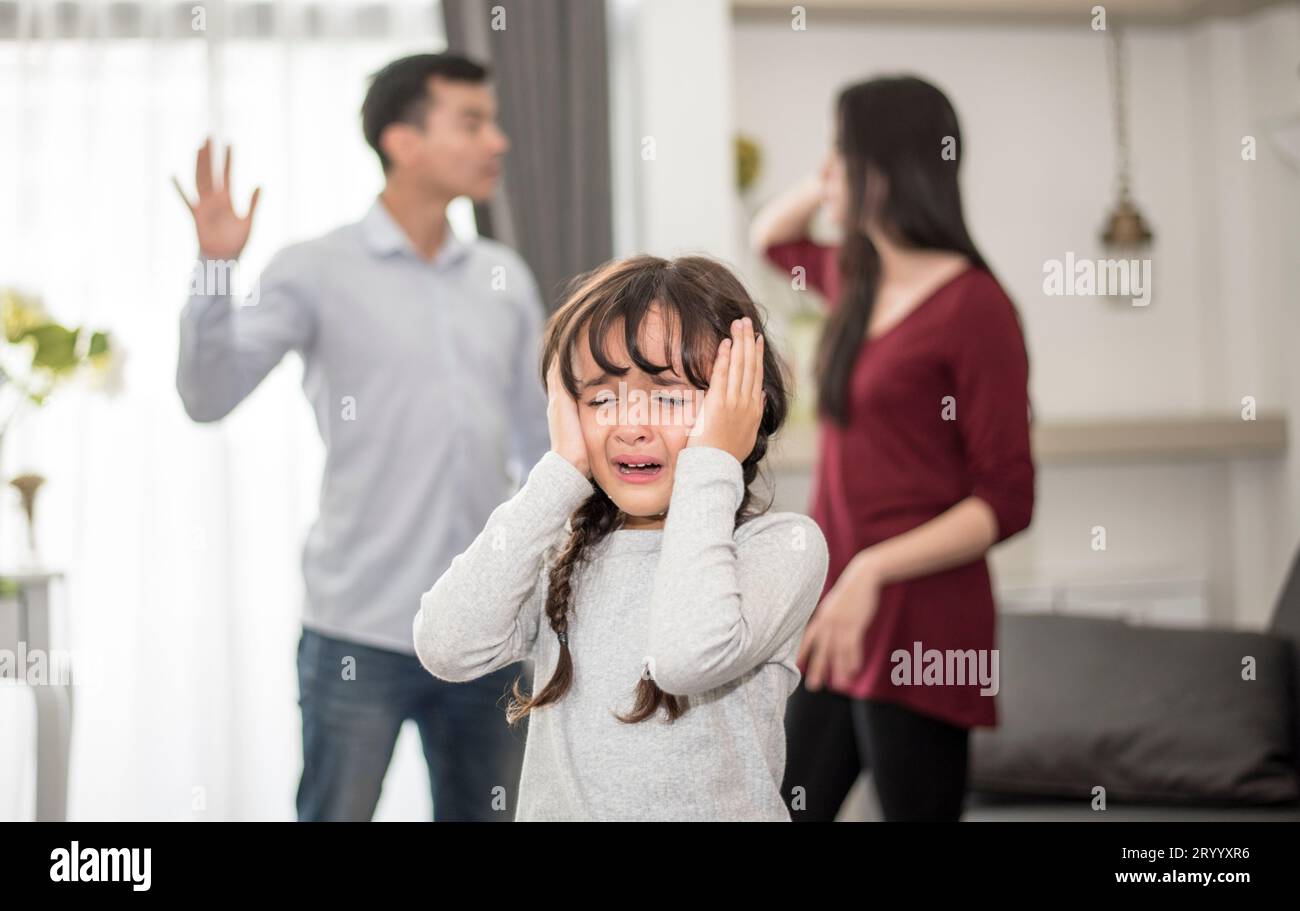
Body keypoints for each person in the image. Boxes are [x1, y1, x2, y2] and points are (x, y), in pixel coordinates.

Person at [171, 53, 550, 821]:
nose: (498, 142)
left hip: (487, 630)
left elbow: (540, 442)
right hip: (357, 632)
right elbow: (208, 395)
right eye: (472, 122)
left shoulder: (503, 276)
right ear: (402, 141)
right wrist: (216, 269)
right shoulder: (315, 268)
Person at [413, 255, 830, 820]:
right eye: (601, 398)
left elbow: (687, 658)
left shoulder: (781, 547)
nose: (632, 425)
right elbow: (446, 644)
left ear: (743, 407)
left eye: (669, 395)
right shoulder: (561, 550)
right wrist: (560, 471)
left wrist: (710, 462)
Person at [750, 75, 1035, 821]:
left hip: (918, 613)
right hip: (841, 605)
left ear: (882, 169)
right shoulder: (856, 280)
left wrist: (874, 567)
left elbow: (1006, 498)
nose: (826, 171)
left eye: (839, 155)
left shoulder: (976, 307)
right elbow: (771, 238)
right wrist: (828, 181)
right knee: (779, 806)